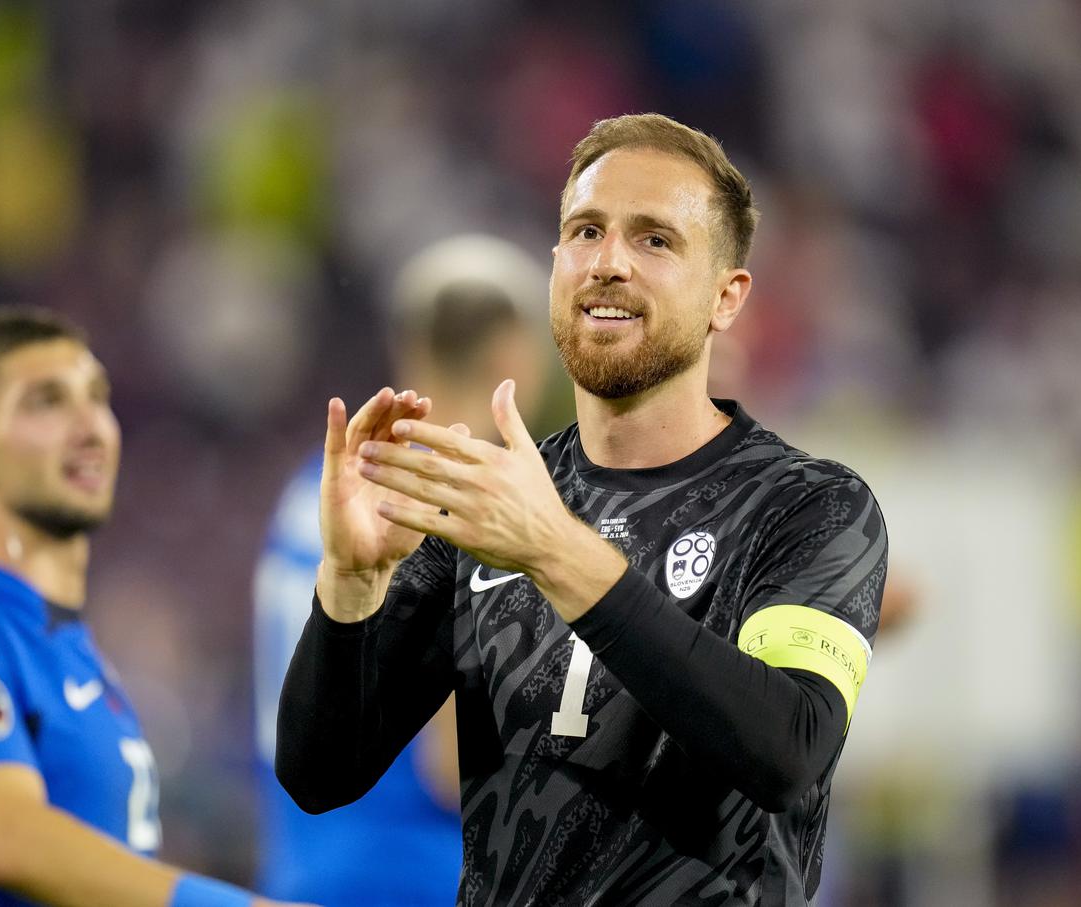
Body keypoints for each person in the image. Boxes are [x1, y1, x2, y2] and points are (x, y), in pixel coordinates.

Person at [276, 114, 888, 905]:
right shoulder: (492, 498)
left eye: (655, 240)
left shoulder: (809, 505)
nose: (609, 262)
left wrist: (555, 551)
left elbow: (787, 750)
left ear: (726, 297)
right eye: (586, 231)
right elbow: (319, 773)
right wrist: (351, 588)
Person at [0, 308, 312, 907]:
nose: (91, 426)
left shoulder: (74, 655)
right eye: (46, 402)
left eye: (98, 397)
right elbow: (8, 839)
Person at [252, 235, 552, 904]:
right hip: (421, 876)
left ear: (411, 347)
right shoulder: (469, 501)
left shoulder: (324, 488)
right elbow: (454, 766)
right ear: (515, 357)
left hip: (303, 870)